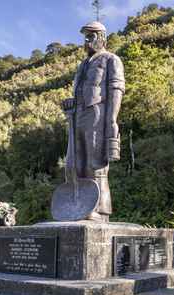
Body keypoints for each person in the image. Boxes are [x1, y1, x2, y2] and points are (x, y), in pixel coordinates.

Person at [60, 21, 125, 221]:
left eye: (91, 36)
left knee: (95, 163)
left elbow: (116, 90)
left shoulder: (111, 59)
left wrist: (112, 120)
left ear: (102, 38)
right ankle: (79, 207)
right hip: (78, 115)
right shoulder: (83, 65)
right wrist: (71, 103)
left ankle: (100, 210)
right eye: (85, 37)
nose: (86, 42)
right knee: (75, 163)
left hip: (97, 114)